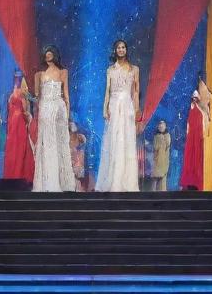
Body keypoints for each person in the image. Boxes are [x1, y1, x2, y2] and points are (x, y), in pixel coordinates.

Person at [96, 39, 141, 192]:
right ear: (115, 51)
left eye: (123, 47)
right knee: (114, 141)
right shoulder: (110, 70)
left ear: (126, 50)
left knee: (127, 141)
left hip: (127, 106)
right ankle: (113, 180)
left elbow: (135, 91)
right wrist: (105, 108)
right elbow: (107, 90)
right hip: (114, 106)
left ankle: (126, 181)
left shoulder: (134, 69)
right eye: (118, 48)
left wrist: (137, 110)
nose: (121, 50)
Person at [32, 46, 75, 192]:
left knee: (60, 143)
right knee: (47, 144)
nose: (47, 55)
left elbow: (66, 94)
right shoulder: (39, 74)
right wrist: (28, 96)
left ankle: (62, 182)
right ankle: (49, 183)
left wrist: (68, 116)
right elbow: (37, 97)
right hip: (45, 109)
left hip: (59, 109)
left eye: (50, 53)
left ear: (55, 55)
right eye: (46, 53)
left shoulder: (63, 72)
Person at [3, 69, 34, 182]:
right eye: (16, 77)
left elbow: (26, 109)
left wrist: (27, 118)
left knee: (20, 147)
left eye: (18, 77)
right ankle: (14, 176)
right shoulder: (13, 92)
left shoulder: (21, 92)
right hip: (13, 124)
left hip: (19, 123)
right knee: (14, 148)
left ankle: (19, 175)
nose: (17, 79)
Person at [179, 84, 211, 190]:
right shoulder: (191, 109)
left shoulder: (202, 111)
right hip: (191, 139)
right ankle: (189, 181)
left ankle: (196, 181)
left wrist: (203, 134)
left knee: (197, 158)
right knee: (190, 159)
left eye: (196, 98)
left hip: (198, 138)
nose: (194, 100)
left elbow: (205, 123)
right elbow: (188, 125)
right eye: (193, 98)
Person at [151, 119, 171, 191]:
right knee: (155, 179)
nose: (161, 127)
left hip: (164, 160)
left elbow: (168, 145)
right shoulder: (156, 136)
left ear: (165, 127)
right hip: (157, 160)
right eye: (160, 126)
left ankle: (162, 194)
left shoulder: (167, 135)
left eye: (163, 126)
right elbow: (155, 147)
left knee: (163, 180)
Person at [69, 119, 88, 191]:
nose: (72, 135)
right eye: (71, 134)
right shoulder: (67, 141)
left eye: (73, 134)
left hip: (77, 167)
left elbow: (84, 142)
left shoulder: (80, 138)